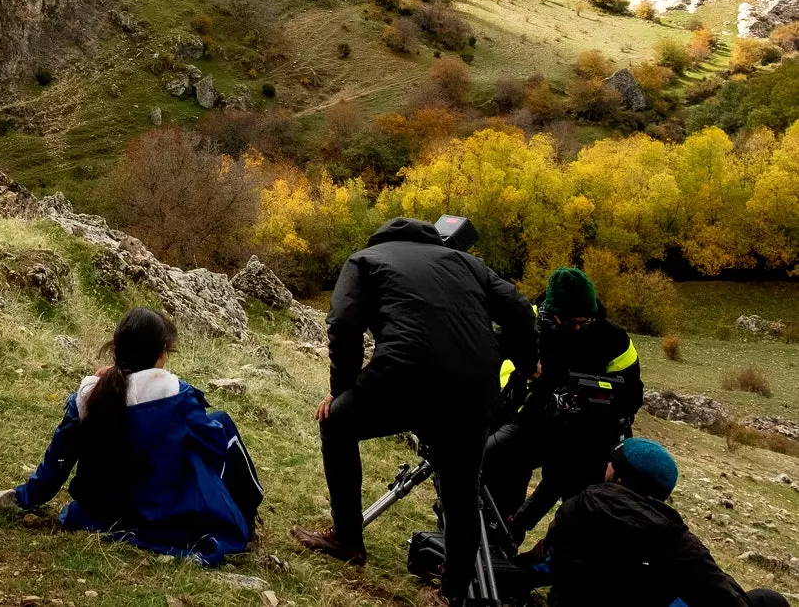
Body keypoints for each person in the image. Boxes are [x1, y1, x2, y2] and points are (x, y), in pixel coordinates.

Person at [291, 217, 537, 607]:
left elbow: (342, 323)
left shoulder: (365, 259)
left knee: (336, 425)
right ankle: (451, 592)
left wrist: (341, 394)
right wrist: (525, 361)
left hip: (404, 374)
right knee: (461, 486)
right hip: (474, 385)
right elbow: (520, 309)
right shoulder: (468, 263)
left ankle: (348, 539)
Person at [0, 308, 263, 565]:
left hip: (100, 511)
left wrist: (26, 497)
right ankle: (247, 517)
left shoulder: (87, 397)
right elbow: (213, 445)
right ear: (160, 356)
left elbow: (58, 460)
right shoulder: (177, 396)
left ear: (115, 349)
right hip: (160, 515)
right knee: (221, 423)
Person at [526, 438, 790, 607]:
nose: (606, 465)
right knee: (768, 600)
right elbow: (722, 595)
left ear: (620, 479)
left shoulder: (577, 509)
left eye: (613, 463)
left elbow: (550, 561)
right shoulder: (679, 544)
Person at [484, 266, 643, 544]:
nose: (579, 328)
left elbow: (633, 392)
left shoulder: (614, 339)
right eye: (569, 322)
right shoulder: (526, 324)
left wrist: (599, 402)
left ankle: (561, 560)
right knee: (503, 486)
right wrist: (537, 393)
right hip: (526, 424)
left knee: (582, 505)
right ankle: (498, 544)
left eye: (585, 321)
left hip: (587, 435)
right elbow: (499, 373)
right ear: (551, 311)